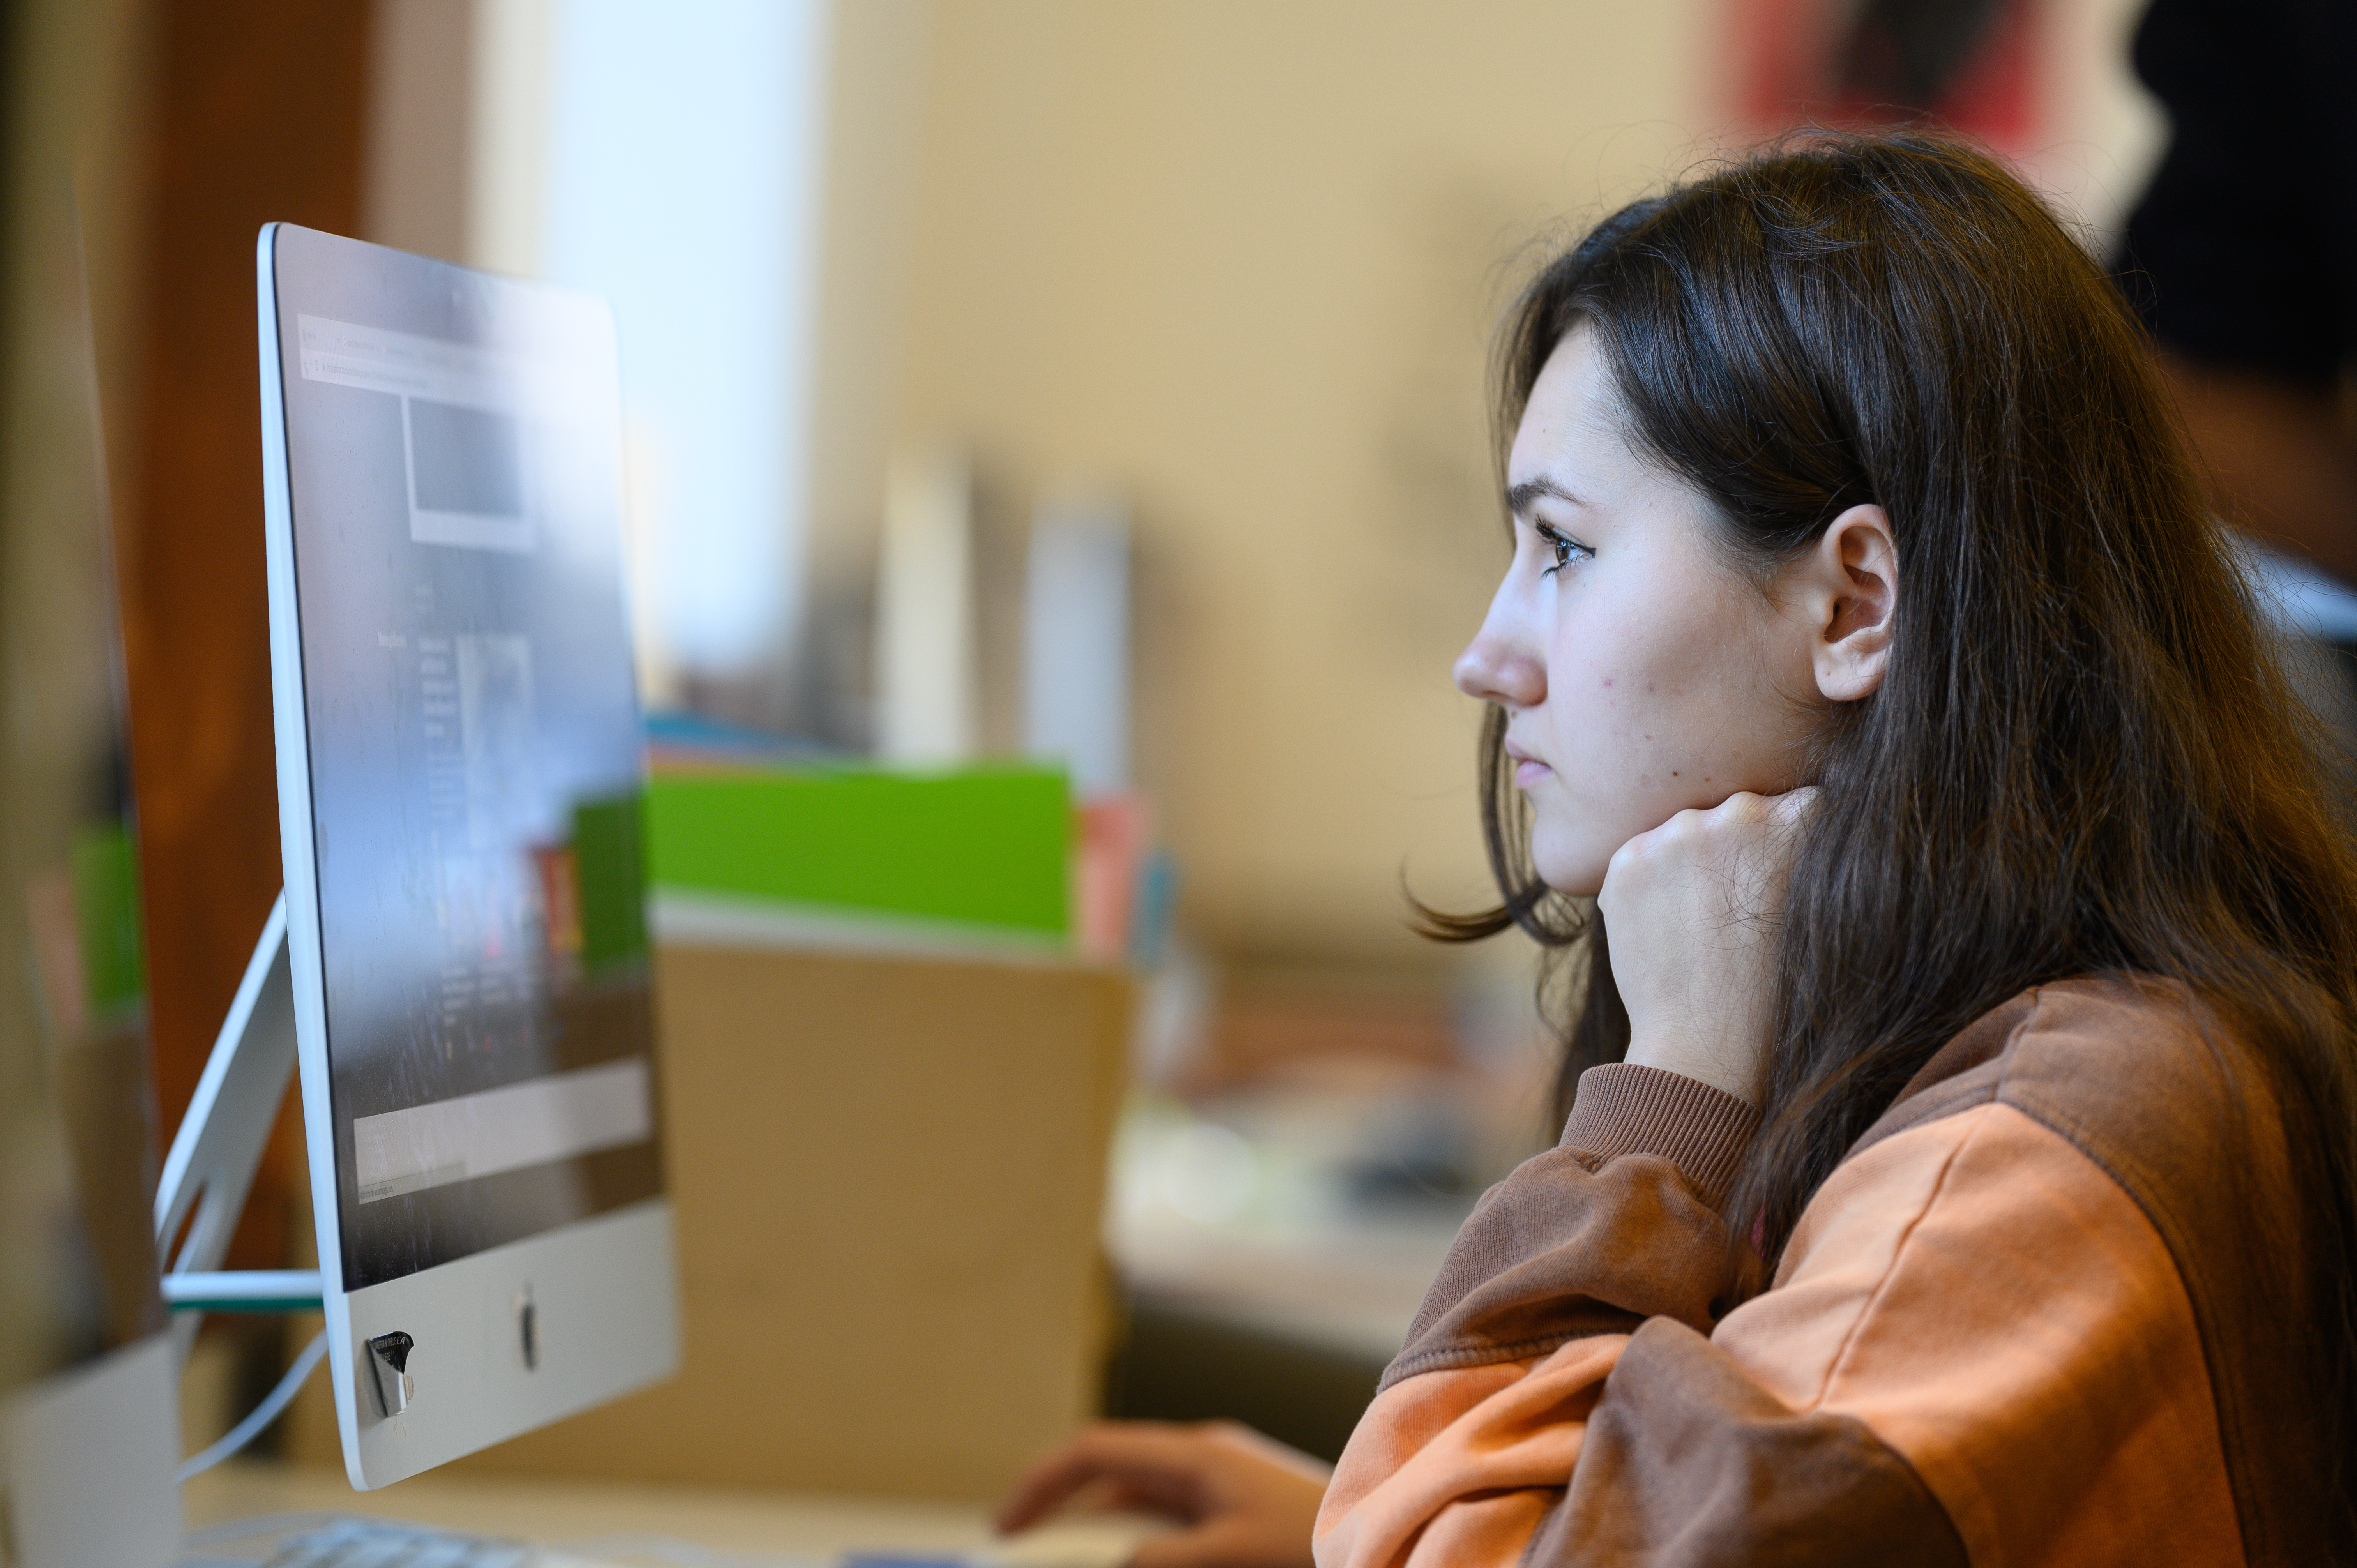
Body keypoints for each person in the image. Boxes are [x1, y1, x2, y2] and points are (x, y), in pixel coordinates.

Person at [1000, 133, 2357, 1564]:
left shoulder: (2058, 1136)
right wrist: (1334, 1530)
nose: (1488, 656)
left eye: (1566, 551)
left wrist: (1668, 1105)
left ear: (1853, 609)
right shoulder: (1968, 1035)